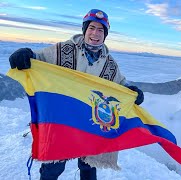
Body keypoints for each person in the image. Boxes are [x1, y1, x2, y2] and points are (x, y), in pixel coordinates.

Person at [9, 9, 144, 180]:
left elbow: (120, 83)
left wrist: (132, 91)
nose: (95, 33)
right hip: (63, 120)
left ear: (105, 35)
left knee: (88, 167)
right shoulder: (63, 49)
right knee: (53, 167)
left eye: (101, 30)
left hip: (91, 123)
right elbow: (39, 59)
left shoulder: (109, 64)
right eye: (92, 28)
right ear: (85, 30)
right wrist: (26, 54)